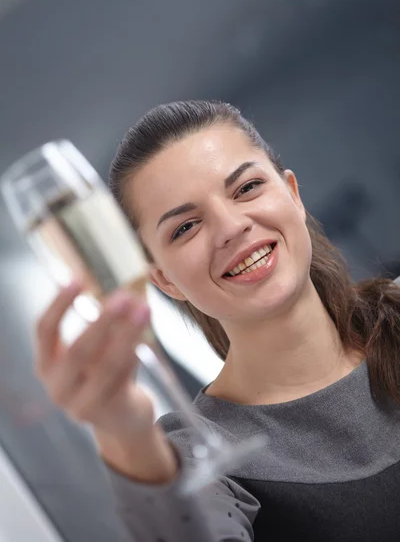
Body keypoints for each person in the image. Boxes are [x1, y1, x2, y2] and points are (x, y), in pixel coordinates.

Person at [34, 100, 400, 541]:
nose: (230, 226)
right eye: (185, 227)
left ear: (293, 196)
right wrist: (123, 433)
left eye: (246, 188)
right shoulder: (193, 450)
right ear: (163, 278)